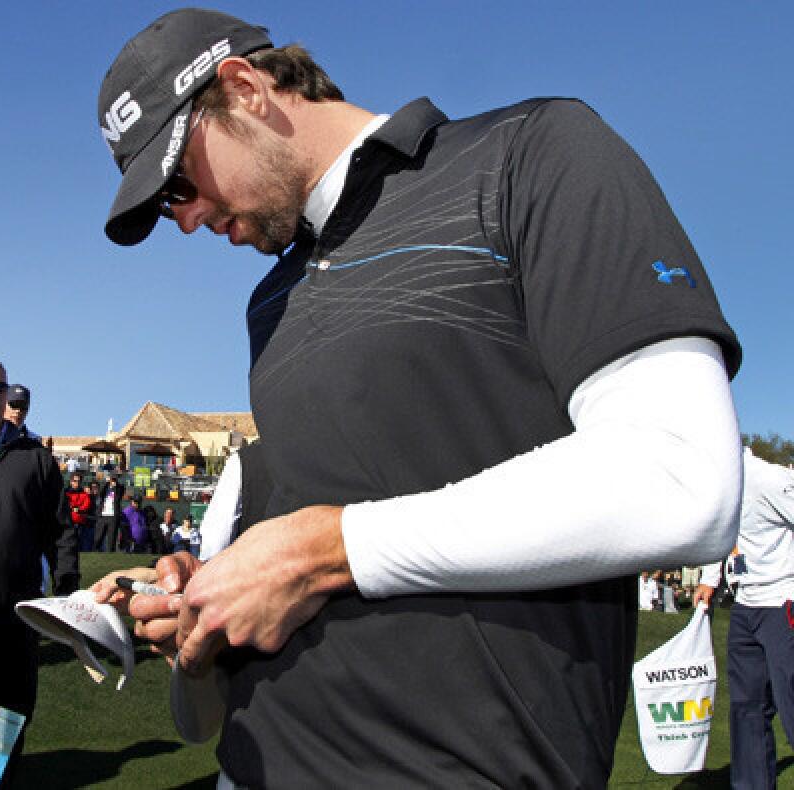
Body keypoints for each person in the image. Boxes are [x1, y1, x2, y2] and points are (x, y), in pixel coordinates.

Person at [94, 9, 743, 787]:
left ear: (245, 88)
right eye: (165, 205)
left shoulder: (530, 152)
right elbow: (323, 529)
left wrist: (326, 551)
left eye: (178, 182)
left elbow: (681, 480)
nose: (187, 218)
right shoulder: (269, 301)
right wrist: (215, 594)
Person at [0, 357, 75, 784]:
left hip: (13, 609)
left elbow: (60, 530)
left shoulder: (35, 459)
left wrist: (67, 588)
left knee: (7, 717)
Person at [693, 449, 794, 788]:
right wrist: (709, 577)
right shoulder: (721, 486)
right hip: (745, 607)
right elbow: (719, 532)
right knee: (747, 709)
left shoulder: (770, 480)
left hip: (783, 604)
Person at [92, 476, 126, 552]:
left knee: (112, 538)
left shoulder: (119, 488)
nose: (112, 481)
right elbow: (100, 493)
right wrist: (107, 483)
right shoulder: (105, 488)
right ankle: (94, 552)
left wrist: (115, 486)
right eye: (111, 479)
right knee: (98, 537)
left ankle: (110, 554)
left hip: (113, 516)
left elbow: (120, 492)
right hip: (103, 516)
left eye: (113, 479)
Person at [65, 472, 95, 551]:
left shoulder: (85, 494)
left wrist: (77, 509)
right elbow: (65, 505)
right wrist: (73, 508)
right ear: (71, 481)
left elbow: (86, 506)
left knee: (77, 545)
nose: (77, 483)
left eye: (79, 481)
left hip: (79, 523)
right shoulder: (65, 493)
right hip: (67, 523)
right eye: (75, 481)